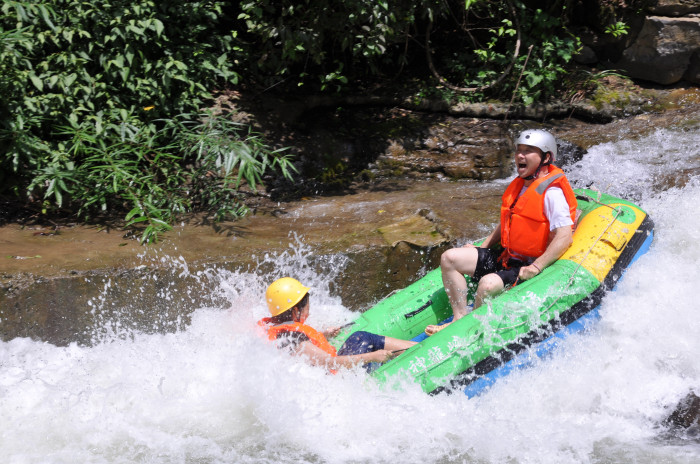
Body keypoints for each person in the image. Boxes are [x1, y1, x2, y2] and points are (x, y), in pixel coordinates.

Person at [425, 129, 577, 335]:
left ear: (546, 157)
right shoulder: (521, 186)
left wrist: (537, 267)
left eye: (529, 151)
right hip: (507, 257)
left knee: (487, 284)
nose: (520, 156)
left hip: (527, 264)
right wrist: (484, 247)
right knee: (449, 258)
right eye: (519, 150)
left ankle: (469, 331)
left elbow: (565, 236)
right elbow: (509, 220)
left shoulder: (552, 193)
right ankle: (460, 317)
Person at [258, 277, 417, 369]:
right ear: (295, 311)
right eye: (307, 307)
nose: (309, 312)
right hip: (337, 381)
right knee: (361, 337)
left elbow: (301, 352)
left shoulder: (277, 331)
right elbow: (330, 363)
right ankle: (417, 349)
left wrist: (322, 335)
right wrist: (372, 356)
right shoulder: (294, 337)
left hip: (325, 378)